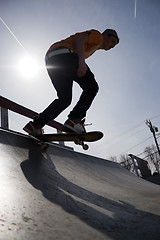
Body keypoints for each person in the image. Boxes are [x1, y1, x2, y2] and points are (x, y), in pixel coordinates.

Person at [23, 28, 119, 136]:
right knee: (92, 87)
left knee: (65, 99)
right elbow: (80, 38)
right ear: (106, 35)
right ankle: (75, 119)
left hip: (52, 59)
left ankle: (35, 125)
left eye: (114, 45)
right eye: (112, 42)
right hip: (64, 55)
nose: (112, 46)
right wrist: (81, 62)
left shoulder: (93, 46)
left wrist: (86, 68)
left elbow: (78, 51)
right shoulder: (98, 37)